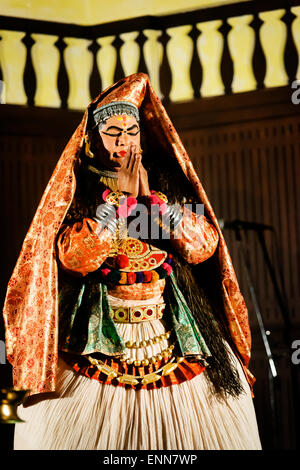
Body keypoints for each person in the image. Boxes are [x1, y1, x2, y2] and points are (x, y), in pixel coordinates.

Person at [3, 73, 261, 450]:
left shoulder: (167, 182)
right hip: (96, 337)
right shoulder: (78, 189)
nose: (125, 141)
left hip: (173, 333)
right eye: (113, 132)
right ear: (93, 139)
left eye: (132, 130)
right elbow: (75, 257)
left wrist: (156, 204)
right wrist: (119, 206)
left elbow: (203, 246)